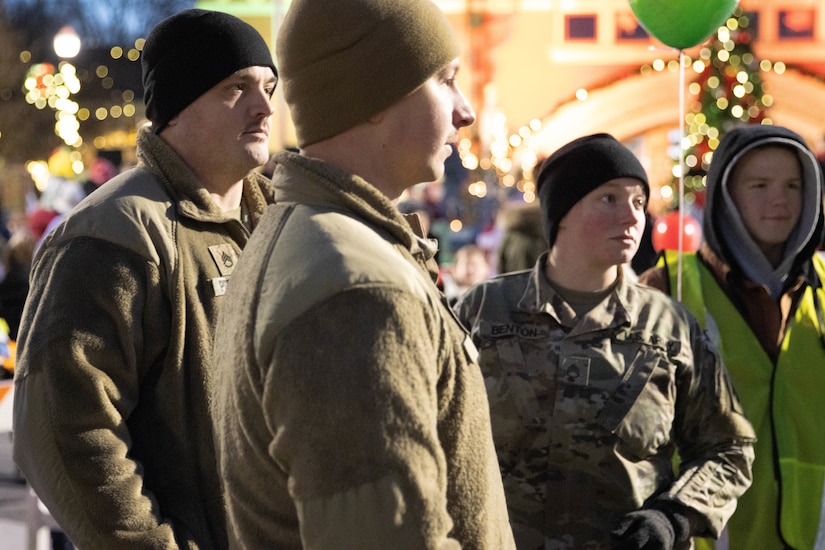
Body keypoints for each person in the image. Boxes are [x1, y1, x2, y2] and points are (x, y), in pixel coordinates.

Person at [210, 0, 515, 548]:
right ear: (375, 96)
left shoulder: (314, 240)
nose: (465, 111)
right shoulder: (354, 288)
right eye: (445, 81)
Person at [12, 9, 277, 548]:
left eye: (269, 86)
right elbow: (63, 429)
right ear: (177, 108)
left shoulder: (276, 223)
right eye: (236, 87)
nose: (265, 107)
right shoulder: (110, 235)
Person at [454, 133, 756, 549]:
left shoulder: (670, 326)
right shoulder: (485, 311)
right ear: (562, 212)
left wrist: (673, 517)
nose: (632, 217)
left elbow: (729, 449)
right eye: (609, 199)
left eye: (637, 202)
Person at [638, 124, 825, 549]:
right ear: (726, 195)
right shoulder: (670, 288)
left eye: (794, 185)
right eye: (759, 185)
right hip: (708, 539)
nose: (780, 199)